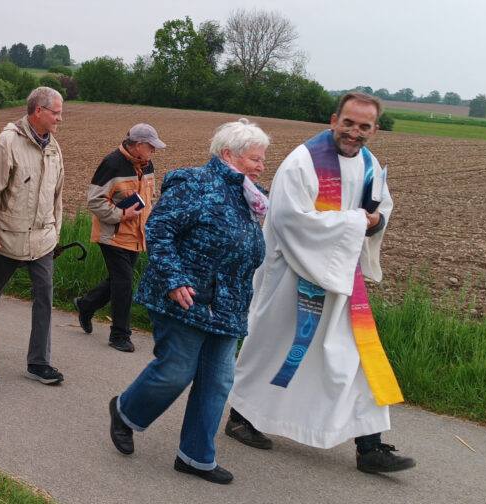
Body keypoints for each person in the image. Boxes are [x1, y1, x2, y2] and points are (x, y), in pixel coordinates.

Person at [225, 92, 414, 474]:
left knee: (357, 359)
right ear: (334, 120)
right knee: (277, 350)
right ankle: (242, 417)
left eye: (364, 126)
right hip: (294, 279)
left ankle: (369, 447)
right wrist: (357, 223)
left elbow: (381, 208)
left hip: (343, 283)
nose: (354, 132)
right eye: (348, 123)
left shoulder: (370, 164)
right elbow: (290, 220)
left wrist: (374, 222)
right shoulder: (304, 161)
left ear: (374, 130)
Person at [107, 118, 271, 485]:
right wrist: (174, 279)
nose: (261, 167)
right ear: (228, 154)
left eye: (262, 159)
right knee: (177, 371)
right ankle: (125, 411)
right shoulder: (194, 184)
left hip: (227, 305)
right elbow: (159, 229)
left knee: (218, 380)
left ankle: (196, 456)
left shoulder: (250, 196)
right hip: (185, 298)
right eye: (255, 159)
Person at [0, 86, 65, 384]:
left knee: (44, 298)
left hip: (42, 240)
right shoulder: (8, 142)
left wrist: (54, 233)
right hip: (7, 238)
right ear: (38, 111)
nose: (60, 119)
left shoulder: (54, 147)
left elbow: (57, 197)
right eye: (56, 113)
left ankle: (38, 362)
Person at [73, 123, 165, 353]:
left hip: (136, 234)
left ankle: (85, 305)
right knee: (124, 284)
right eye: (151, 146)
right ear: (138, 145)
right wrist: (122, 215)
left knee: (118, 280)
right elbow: (95, 201)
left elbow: (149, 197)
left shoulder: (147, 164)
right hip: (112, 235)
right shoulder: (112, 163)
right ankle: (120, 335)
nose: (154, 151)